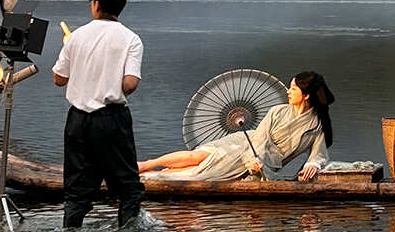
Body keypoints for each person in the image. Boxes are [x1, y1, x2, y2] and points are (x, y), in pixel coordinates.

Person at [53, 0, 144, 230]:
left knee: (76, 190)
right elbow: (130, 85)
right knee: (127, 187)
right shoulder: (131, 39)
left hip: (78, 121)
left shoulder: (76, 37)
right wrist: (110, 77)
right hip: (112, 120)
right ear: (120, 8)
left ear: (95, 5)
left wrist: (74, 55)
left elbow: (59, 79)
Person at [138, 71, 334, 182]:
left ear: (306, 95)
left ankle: (152, 176)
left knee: (201, 171)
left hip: (265, 162)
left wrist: (313, 163)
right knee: (198, 157)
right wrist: (255, 158)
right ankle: (146, 165)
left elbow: (319, 153)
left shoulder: (317, 125)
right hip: (249, 146)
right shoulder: (278, 111)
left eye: (293, 88)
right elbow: (260, 138)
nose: (289, 92)